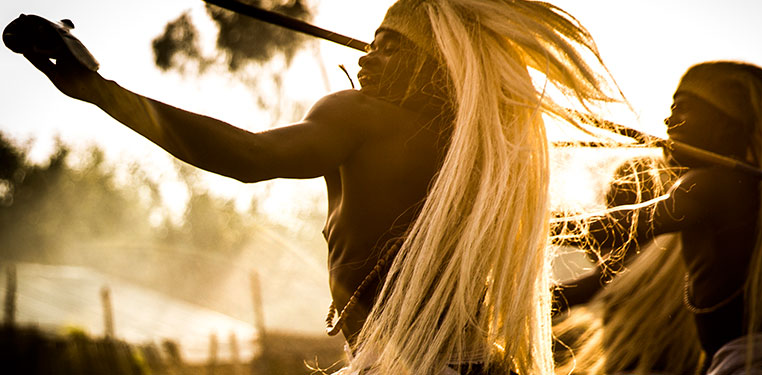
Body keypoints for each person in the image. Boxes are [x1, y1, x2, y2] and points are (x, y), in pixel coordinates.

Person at [18, 0, 625, 373]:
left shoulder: (360, 117)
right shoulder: (478, 157)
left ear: (427, 62)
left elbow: (248, 156)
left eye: (387, 47)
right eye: (369, 42)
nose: (365, 58)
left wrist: (101, 92)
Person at [551, 61, 762, 374]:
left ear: (727, 124)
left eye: (682, 109)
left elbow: (622, 226)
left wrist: (530, 227)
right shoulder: (756, 196)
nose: (668, 120)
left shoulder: (711, 185)